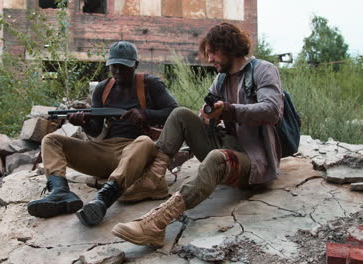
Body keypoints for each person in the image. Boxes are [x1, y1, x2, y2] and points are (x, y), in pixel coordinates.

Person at [111, 23, 284, 248]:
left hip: (253, 160)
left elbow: (273, 111)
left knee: (216, 158)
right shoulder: (221, 79)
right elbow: (207, 111)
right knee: (180, 113)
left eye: (213, 52)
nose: (209, 59)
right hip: (226, 143)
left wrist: (230, 110)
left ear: (228, 47)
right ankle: (154, 180)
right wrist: (207, 115)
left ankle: (155, 225)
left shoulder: (263, 70)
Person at [27, 41, 178, 226]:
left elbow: (174, 112)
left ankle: (104, 198)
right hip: (105, 151)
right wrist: (83, 123)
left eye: (124, 66)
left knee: (145, 141)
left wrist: (145, 114)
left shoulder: (150, 84)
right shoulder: (102, 89)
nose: (118, 71)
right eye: (114, 66)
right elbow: (96, 130)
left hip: (137, 153)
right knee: (51, 140)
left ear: (135, 65)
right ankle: (59, 192)